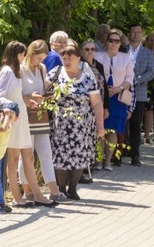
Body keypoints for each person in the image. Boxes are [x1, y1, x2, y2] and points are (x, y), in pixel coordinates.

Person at [0, 41, 57, 208]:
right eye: (22, 53)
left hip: (22, 117)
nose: (24, 57)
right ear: (17, 54)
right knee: (14, 159)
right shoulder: (7, 71)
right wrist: (12, 105)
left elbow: (17, 94)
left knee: (29, 157)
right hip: (14, 118)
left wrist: (27, 101)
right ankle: (17, 197)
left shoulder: (16, 72)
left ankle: (37, 195)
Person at [46, 41, 105, 201]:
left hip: (82, 126)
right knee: (60, 158)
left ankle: (73, 189)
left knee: (79, 157)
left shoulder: (87, 79)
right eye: (63, 57)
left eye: (69, 57)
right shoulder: (55, 74)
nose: (66, 60)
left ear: (78, 58)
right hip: (61, 126)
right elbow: (44, 96)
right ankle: (61, 189)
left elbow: (97, 102)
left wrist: (100, 125)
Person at [18, 40, 69, 203]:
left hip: (39, 114)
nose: (40, 61)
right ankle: (27, 191)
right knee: (27, 156)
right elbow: (15, 95)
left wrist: (47, 96)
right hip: (25, 116)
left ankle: (54, 191)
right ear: (31, 53)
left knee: (46, 153)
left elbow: (42, 90)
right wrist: (30, 97)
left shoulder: (42, 69)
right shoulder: (20, 69)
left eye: (42, 59)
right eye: (38, 58)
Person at [95, 29, 135, 166]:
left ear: (120, 43)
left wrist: (119, 88)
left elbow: (130, 78)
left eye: (116, 41)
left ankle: (107, 162)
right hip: (101, 97)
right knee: (100, 129)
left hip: (118, 98)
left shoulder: (126, 58)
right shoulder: (98, 56)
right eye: (111, 40)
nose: (113, 43)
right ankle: (98, 161)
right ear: (106, 42)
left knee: (112, 130)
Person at [127, 24, 154, 166]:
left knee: (136, 125)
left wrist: (137, 80)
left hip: (139, 92)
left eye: (138, 32)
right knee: (121, 123)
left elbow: (151, 72)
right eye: (133, 31)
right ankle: (118, 154)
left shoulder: (147, 53)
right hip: (122, 92)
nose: (136, 35)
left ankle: (135, 155)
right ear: (129, 34)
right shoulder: (122, 50)